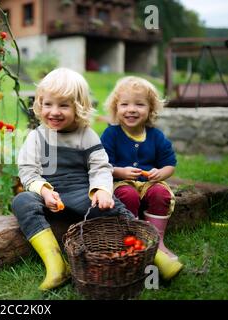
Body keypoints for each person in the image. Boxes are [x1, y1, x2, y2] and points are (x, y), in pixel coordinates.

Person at [11, 68, 134, 291]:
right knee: (22, 201)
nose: (54, 112)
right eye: (48, 104)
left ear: (78, 108)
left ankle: (149, 247)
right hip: (49, 195)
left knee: (110, 205)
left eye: (63, 105)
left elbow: (100, 167)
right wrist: (45, 192)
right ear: (40, 105)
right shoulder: (37, 136)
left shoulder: (86, 135)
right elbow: (28, 172)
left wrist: (101, 191)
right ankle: (56, 264)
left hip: (80, 193)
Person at [101, 76, 183, 280]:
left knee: (160, 193)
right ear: (115, 108)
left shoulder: (156, 136)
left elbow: (169, 164)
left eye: (139, 104)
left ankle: (157, 241)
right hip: (122, 182)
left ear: (150, 109)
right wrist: (120, 172)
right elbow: (102, 164)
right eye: (125, 104)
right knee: (126, 195)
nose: (131, 109)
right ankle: (131, 238)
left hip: (149, 183)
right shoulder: (111, 134)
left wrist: (160, 173)